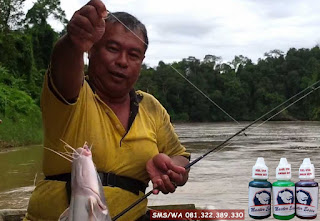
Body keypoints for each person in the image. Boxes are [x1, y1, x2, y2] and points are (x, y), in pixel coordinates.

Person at [24, 0, 190, 220]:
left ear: (141, 61)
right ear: (91, 50)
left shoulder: (151, 107)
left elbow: (181, 156)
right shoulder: (72, 93)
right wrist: (74, 42)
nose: (122, 61)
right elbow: (62, 64)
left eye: (134, 55)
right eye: (113, 48)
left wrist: (172, 169)